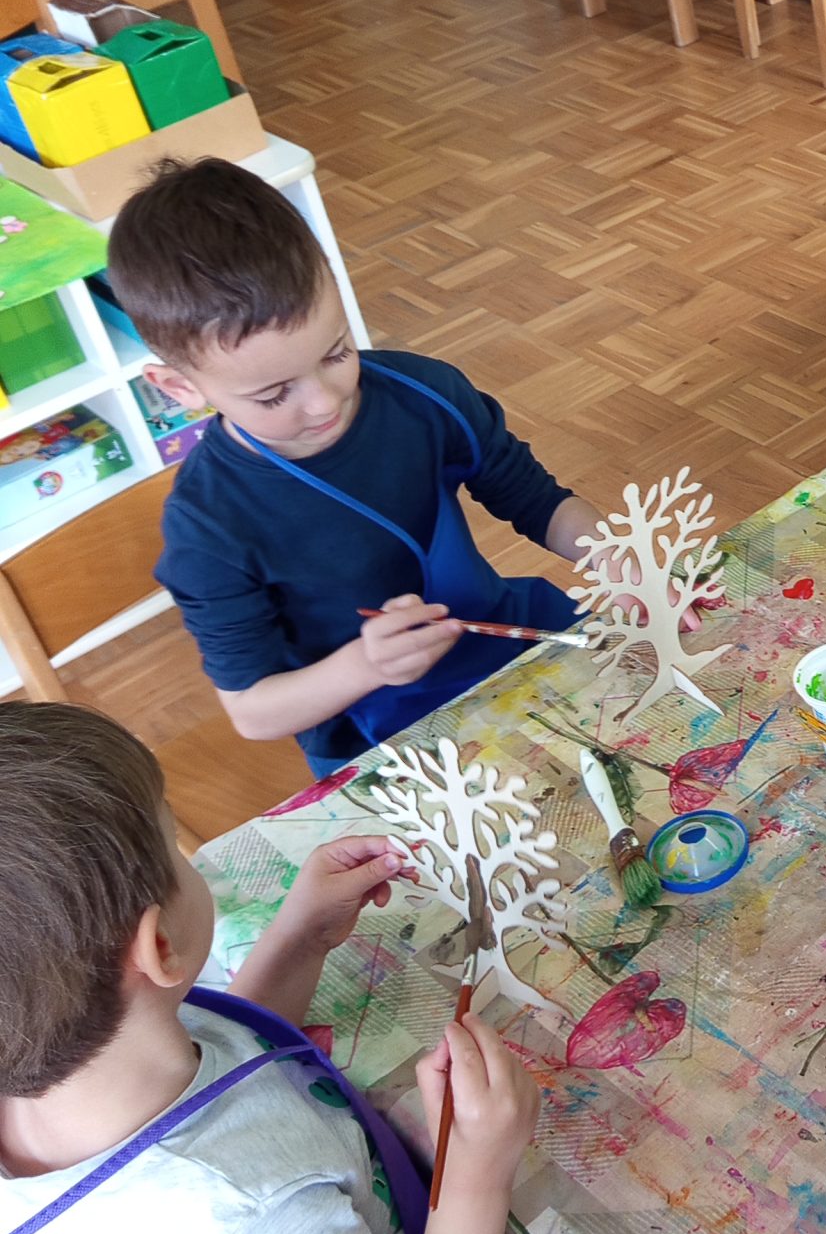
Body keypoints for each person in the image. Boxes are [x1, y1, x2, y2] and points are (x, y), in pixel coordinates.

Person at [0, 703, 612, 1234]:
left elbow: (218, 1075)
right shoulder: (246, 1225)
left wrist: (298, 940)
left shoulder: (58, 1073)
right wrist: (476, 1173)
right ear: (161, 948)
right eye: (176, 847)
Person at [108, 159, 602, 777]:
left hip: (507, 646)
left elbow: (537, 500)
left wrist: (618, 558)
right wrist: (366, 666)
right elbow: (254, 711)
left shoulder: (425, 393)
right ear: (179, 388)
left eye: (336, 352)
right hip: (375, 737)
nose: (325, 403)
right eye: (273, 395)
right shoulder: (208, 528)